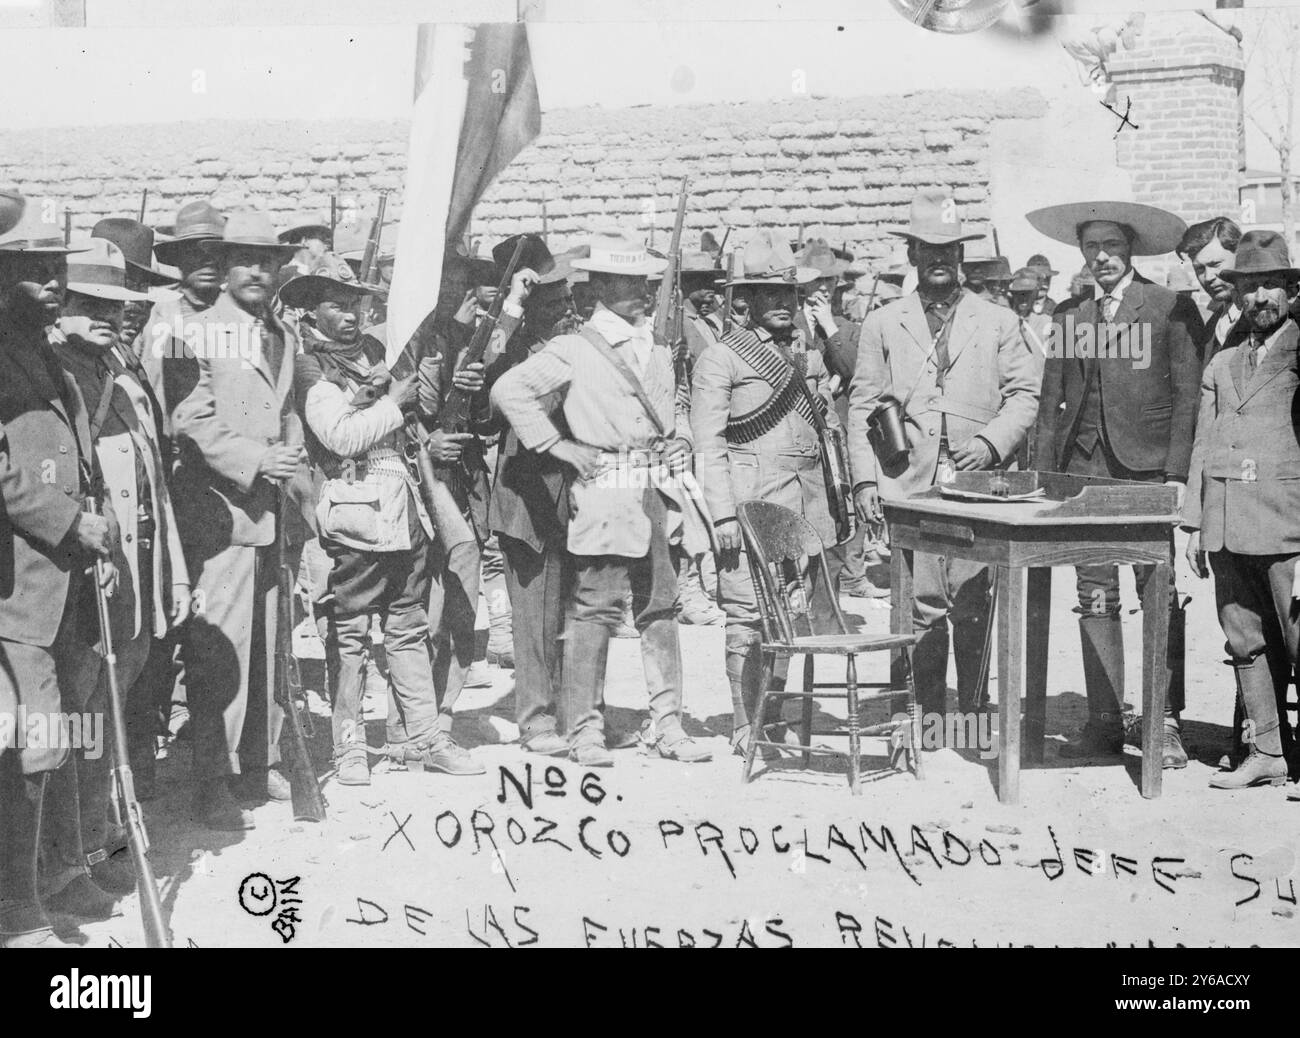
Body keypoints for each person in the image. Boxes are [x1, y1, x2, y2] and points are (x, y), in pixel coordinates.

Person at [492, 228, 714, 768]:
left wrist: (681, 437)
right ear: (599, 288)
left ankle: (668, 724)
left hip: (655, 487)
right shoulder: (572, 348)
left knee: (660, 608)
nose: (641, 291)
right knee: (594, 610)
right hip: (604, 492)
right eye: (627, 282)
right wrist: (559, 446)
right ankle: (586, 731)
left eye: (644, 281)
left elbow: (673, 408)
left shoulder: (657, 347)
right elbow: (508, 391)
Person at [284, 260, 481, 784]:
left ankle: (422, 736)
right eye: (335, 305)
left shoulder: (376, 354)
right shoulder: (309, 366)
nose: (348, 315)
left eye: (354, 304)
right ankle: (348, 746)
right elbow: (339, 436)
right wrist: (393, 403)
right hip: (352, 512)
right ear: (313, 312)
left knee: (408, 623)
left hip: (403, 506)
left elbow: (412, 415)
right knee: (349, 634)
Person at [849, 190, 1042, 724]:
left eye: (948, 249)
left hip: (978, 483)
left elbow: (1025, 394)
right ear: (911, 254)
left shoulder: (998, 320)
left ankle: (975, 711)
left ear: (961, 256)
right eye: (926, 248)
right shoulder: (885, 322)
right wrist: (866, 482)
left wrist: (990, 443)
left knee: (975, 597)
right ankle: (926, 711)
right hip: (909, 481)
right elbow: (864, 403)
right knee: (921, 601)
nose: (938, 258)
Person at [1028, 199, 1204, 767]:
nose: (1101, 257)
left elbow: (1187, 399)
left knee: (1158, 591)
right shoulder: (1069, 316)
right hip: (1084, 475)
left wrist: (1177, 475)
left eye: (1112, 246)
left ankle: (1163, 721)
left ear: (1130, 249)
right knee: (1094, 593)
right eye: (1091, 247)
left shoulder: (1168, 307)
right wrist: (1044, 476)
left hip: (1148, 473)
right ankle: (1105, 722)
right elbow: (1050, 406)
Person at [47, 239, 189, 898]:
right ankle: (63, 861)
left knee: (104, 717)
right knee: (73, 724)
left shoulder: (116, 376)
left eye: (116, 303)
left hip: (128, 582)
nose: (108, 315)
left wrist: (173, 575)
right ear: (57, 303)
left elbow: (153, 489)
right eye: (89, 302)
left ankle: (95, 837)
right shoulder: (48, 375)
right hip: (72, 586)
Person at [0, 201, 118, 946]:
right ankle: (16, 906)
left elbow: (77, 459)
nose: (51, 281)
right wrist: (71, 522)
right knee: (34, 739)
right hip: (16, 589)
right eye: (31, 270)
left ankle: (53, 874)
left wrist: (92, 538)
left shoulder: (47, 355)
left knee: (62, 731)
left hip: (64, 581)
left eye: (54, 268)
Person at [168, 211, 307, 830]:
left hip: (273, 514)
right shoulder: (195, 331)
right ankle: (211, 779)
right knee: (219, 653)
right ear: (223, 268)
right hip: (220, 515)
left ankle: (262, 759)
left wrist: (293, 455)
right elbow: (190, 420)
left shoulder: (281, 332)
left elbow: (287, 410)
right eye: (246, 260)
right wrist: (257, 460)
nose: (259, 271)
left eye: (270, 261)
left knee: (270, 644)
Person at [692, 230, 841, 755]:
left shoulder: (804, 354)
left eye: (789, 294)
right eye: (769, 294)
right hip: (750, 509)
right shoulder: (720, 360)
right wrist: (723, 516)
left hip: (805, 509)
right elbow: (707, 445)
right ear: (744, 302)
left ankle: (774, 718)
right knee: (747, 617)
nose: (783, 304)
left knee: (792, 614)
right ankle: (744, 724)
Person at [1183, 232, 1300, 791]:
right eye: (1249, 286)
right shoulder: (1223, 361)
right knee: (1243, 640)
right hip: (1228, 523)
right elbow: (1203, 446)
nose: (1260, 297)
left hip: (1287, 524)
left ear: (1289, 290)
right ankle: (1270, 752)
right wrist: (1193, 523)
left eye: (1271, 285)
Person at [485, 251, 582, 756]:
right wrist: (511, 310)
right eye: (553, 301)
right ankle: (536, 719)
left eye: (568, 299)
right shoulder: (511, 347)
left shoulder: (577, 346)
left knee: (575, 612)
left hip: (577, 491)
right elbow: (487, 389)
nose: (565, 309)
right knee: (533, 617)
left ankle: (577, 713)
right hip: (527, 494)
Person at [1177, 216, 1245, 368]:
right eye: (1199, 269)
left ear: (1239, 256)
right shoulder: (1213, 325)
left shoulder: (1264, 315)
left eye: (1215, 264)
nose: (1208, 277)